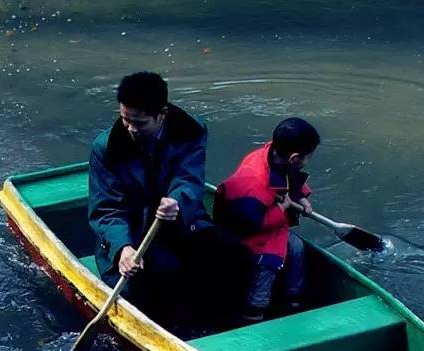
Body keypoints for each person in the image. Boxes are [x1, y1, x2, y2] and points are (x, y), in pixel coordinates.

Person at [88, 71, 212, 324]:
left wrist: (177, 200)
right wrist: (122, 248)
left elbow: (190, 178)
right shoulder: (106, 148)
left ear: (162, 115)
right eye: (125, 120)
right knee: (140, 292)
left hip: (178, 224)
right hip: (131, 234)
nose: (131, 129)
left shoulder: (190, 130)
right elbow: (107, 209)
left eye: (140, 123)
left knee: (224, 260)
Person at [213, 117, 320, 323]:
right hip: (245, 234)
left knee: (296, 247)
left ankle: (293, 300)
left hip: (268, 221)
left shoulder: (274, 155)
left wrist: (299, 197)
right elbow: (250, 224)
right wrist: (281, 209)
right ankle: (254, 312)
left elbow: (290, 180)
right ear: (294, 158)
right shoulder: (252, 184)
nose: (308, 161)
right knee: (268, 265)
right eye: (308, 157)